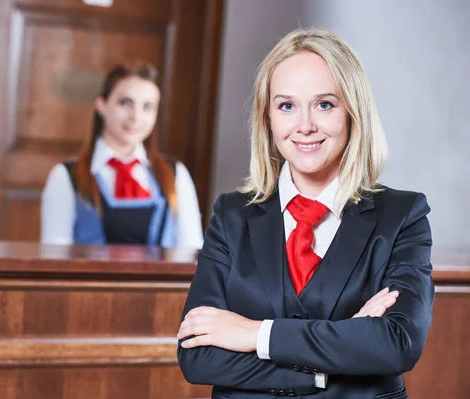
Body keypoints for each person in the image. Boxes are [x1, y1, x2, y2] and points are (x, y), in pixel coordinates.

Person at [177, 28, 433, 399]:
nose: (305, 125)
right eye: (286, 106)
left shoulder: (402, 215)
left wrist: (255, 334)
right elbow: (197, 356)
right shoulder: (232, 216)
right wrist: (341, 351)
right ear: (267, 119)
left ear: (353, 112)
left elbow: (397, 342)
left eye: (325, 104)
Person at [41, 62, 203, 248]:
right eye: (125, 103)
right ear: (101, 105)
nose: (136, 117)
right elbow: (54, 255)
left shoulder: (175, 174)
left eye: (148, 107)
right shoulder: (66, 176)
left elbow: (193, 249)